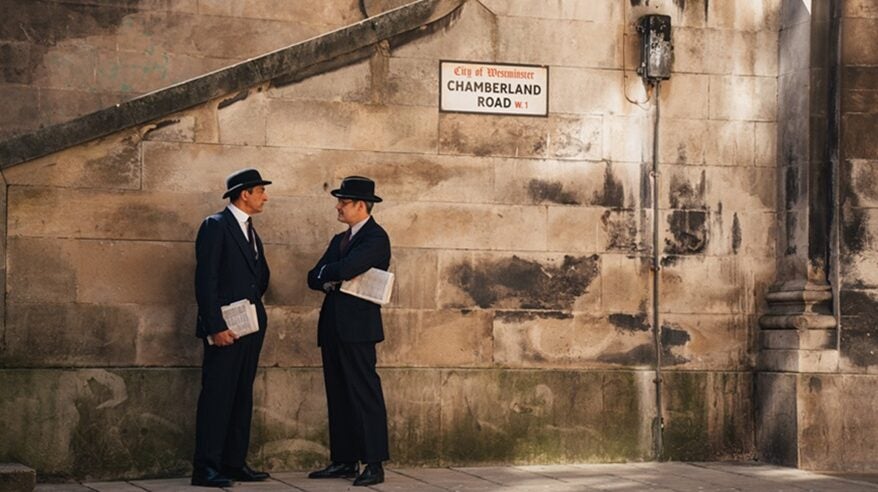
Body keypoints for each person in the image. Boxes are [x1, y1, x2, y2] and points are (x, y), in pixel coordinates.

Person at [307, 176, 391, 487]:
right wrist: (331, 275)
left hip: (358, 329)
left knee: (364, 394)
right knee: (339, 394)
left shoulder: (376, 238)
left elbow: (341, 270)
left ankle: (373, 463)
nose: (338, 207)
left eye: (343, 202)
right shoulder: (338, 240)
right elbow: (312, 277)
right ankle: (343, 460)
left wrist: (331, 274)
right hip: (332, 327)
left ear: (360, 205)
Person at [192, 168, 272, 487]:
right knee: (217, 397)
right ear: (245, 194)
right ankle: (206, 468)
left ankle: (233, 463)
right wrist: (216, 325)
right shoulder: (215, 226)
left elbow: (259, 276)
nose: (265, 197)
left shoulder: (251, 230)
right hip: (224, 329)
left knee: (241, 396)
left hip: (250, 327)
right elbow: (205, 280)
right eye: (260, 191)